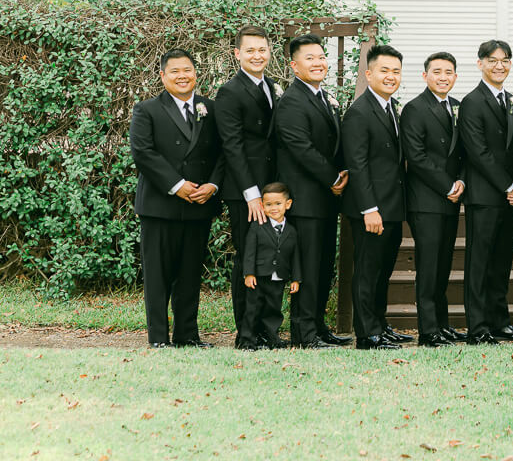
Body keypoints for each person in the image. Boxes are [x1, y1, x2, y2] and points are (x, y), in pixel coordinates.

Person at [129, 49, 224, 348]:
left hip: (199, 205)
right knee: (157, 276)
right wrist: (177, 185)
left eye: (187, 70)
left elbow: (224, 151)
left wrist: (213, 185)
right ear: (163, 75)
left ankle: (187, 335)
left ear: (196, 73)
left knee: (190, 275)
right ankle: (158, 338)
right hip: (161, 205)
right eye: (175, 71)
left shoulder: (210, 107)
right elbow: (143, 153)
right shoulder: (146, 109)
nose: (182, 76)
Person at [274, 34, 350, 348]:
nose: (318, 63)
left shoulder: (323, 96)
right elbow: (301, 148)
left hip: (324, 201)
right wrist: (333, 177)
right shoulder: (292, 101)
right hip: (305, 200)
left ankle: (318, 327)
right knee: (305, 270)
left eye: (321, 57)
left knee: (322, 267)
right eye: (310, 58)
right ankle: (304, 333)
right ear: (294, 65)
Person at [459, 39, 513, 344]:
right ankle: (478, 327)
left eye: (505, 60)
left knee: (502, 260)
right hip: (485, 195)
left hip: (512, 196)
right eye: (492, 60)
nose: (499, 65)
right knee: (480, 261)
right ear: (480, 64)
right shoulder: (472, 102)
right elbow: (478, 152)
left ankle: (500, 321)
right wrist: (506, 185)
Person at [214, 25, 280, 350]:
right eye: (250, 50)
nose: (257, 55)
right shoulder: (230, 92)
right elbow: (232, 146)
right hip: (246, 193)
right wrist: (251, 193)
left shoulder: (272, 87)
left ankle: (267, 330)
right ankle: (246, 334)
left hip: (272, 191)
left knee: (270, 261)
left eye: (262, 49)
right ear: (237, 54)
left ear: (270, 52)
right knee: (248, 260)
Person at [342, 44, 411, 349]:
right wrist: (370, 208)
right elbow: (358, 164)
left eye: (396, 71)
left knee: (383, 271)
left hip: (392, 206)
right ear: (369, 74)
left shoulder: (390, 107)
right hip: (371, 209)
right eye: (384, 70)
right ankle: (367, 334)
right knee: (368, 272)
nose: (390, 76)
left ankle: (380, 326)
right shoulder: (359, 111)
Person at [400, 51, 467, 347]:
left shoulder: (457, 107)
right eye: (437, 72)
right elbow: (416, 156)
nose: (443, 77)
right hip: (426, 200)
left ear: (455, 76)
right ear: (425, 75)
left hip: (451, 198)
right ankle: (428, 331)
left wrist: (461, 180)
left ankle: (442, 324)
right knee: (428, 267)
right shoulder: (415, 109)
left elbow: (465, 150)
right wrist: (447, 185)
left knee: (443, 265)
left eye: (449, 72)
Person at [239, 182, 301, 351]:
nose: (273, 208)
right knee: (252, 310)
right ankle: (247, 341)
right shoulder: (257, 227)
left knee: (274, 310)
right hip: (259, 277)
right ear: (262, 206)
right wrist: (249, 273)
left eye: (278, 203)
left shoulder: (291, 231)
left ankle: (272, 339)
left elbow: (295, 256)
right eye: (268, 204)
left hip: (279, 276)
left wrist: (296, 278)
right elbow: (249, 253)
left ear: (287, 204)